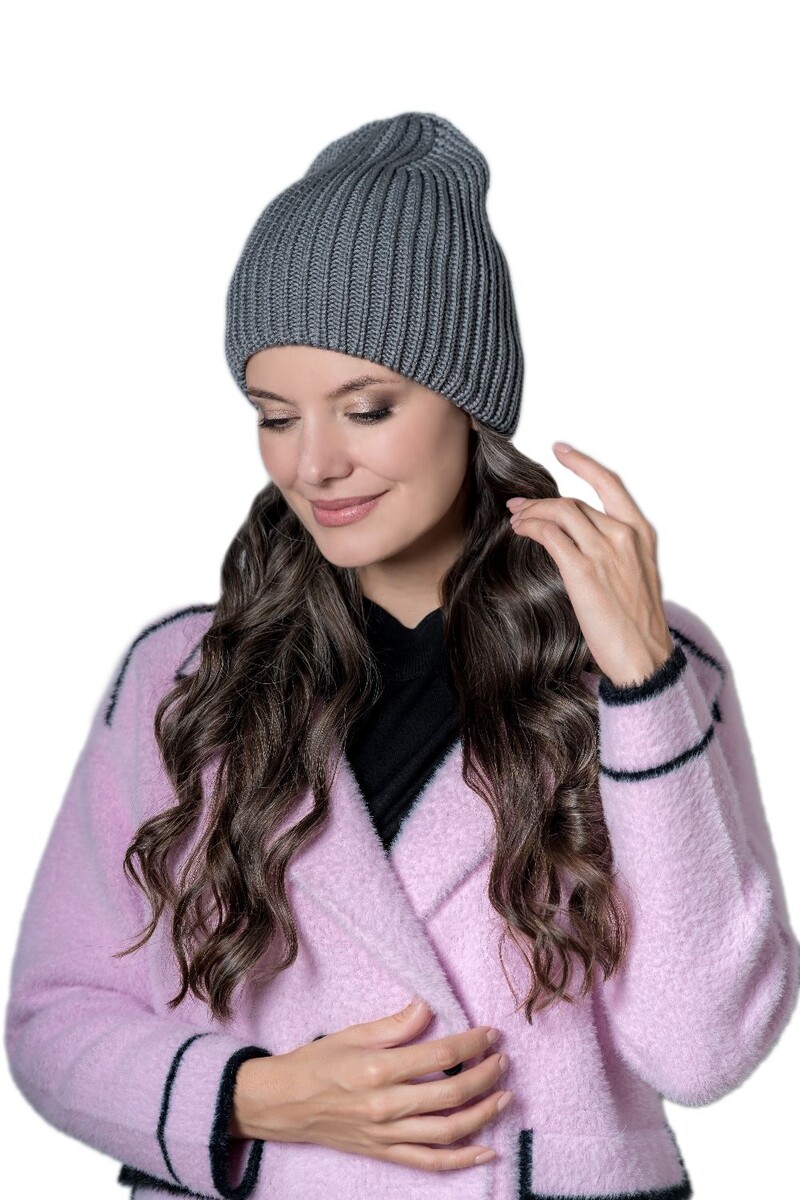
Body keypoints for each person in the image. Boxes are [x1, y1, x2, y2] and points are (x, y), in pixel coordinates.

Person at [5, 110, 799, 1200]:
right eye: (274, 416)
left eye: (367, 408)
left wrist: (642, 684)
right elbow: (53, 1018)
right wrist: (251, 1098)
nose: (315, 464)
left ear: (470, 404)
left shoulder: (653, 667)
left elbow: (705, 1050)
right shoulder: (185, 677)